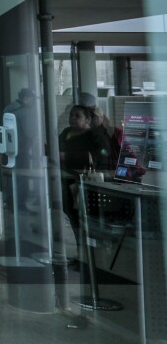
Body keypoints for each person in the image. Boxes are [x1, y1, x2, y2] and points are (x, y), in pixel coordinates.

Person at [58, 104, 109, 246]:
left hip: (85, 181)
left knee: (86, 215)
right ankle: (81, 249)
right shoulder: (66, 132)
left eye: (77, 116)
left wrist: (68, 157)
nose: (73, 118)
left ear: (87, 120)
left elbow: (103, 154)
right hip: (66, 179)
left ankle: (92, 251)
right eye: (71, 115)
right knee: (71, 214)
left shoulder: (95, 136)